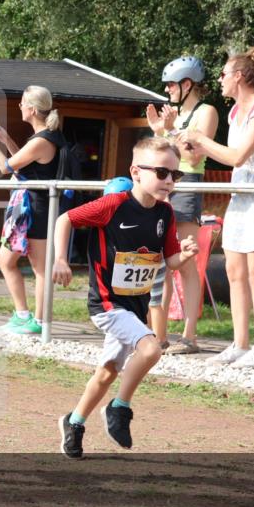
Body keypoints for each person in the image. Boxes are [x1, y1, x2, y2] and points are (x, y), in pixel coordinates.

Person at [52, 137, 199, 458]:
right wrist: (60, 259)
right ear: (136, 172)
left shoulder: (165, 213)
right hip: (106, 304)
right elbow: (66, 219)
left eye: (177, 175)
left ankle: (73, 422)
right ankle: (119, 409)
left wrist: (185, 254)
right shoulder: (113, 205)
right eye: (162, 173)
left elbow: (169, 261)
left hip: (135, 307)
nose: (170, 181)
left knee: (106, 373)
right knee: (151, 348)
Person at [181, 47, 254, 369]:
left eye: (224, 74)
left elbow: (238, 155)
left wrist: (201, 139)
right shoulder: (234, 112)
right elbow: (215, 156)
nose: (220, 80)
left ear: (238, 77)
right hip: (241, 192)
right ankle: (240, 343)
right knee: (234, 270)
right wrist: (188, 142)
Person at [145, 56, 219, 354]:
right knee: (160, 260)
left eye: (172, 84)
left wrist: (170, 130)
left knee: (185, 263)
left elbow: (193, 156)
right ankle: (157, 333)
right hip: (165, 185)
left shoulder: (207, 112)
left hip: (187, 183)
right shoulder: (174, 116)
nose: (168, 89)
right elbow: (160, 153)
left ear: (188, 84)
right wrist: (158, 130)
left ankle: (189, 336)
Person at [0, 85, 65, 335]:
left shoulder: (41, 140)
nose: (19, 107)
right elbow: (25, 164)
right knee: (17, 263)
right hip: (33, 207)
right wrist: (5, 138)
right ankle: (28, 318)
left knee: (34, 267)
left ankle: (34, 320)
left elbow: (6, 168)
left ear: (31, 109)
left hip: (34, 209)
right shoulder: (46, 137)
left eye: (21, 104)